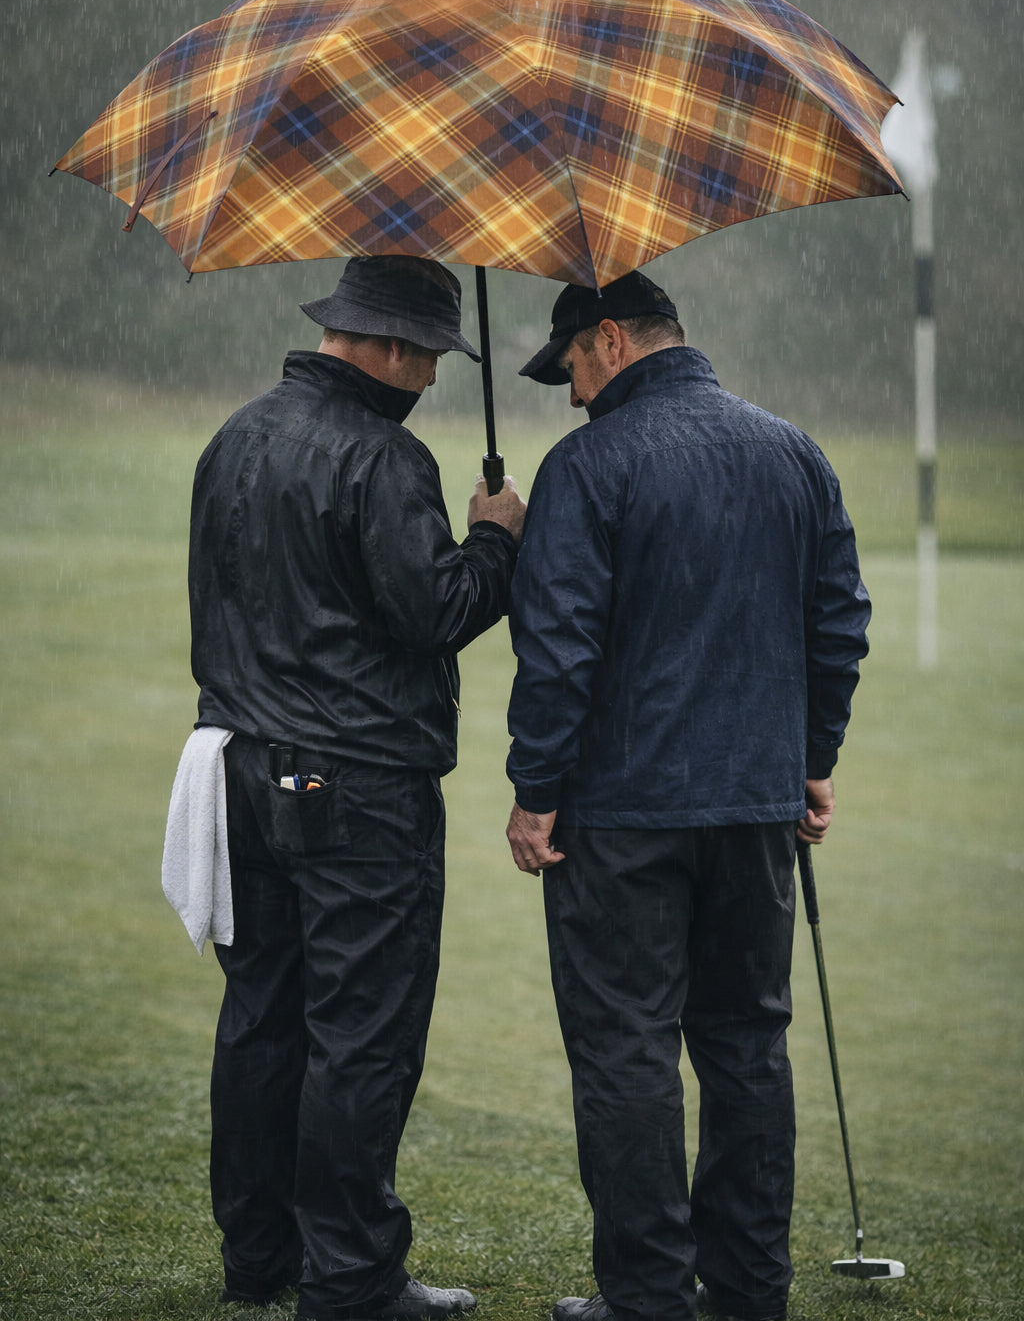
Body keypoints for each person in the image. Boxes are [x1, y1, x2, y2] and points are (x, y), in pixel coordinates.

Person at [503, 271, 870, 1321]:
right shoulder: (793, 451)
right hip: (756, 813)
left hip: (618, 818)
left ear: (609, 340)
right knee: (747, 1044)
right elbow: (837, 621)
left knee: (626, 1051)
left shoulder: (584, 466)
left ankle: (647, 1296)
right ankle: (749, 1290)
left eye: (570, 364)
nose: (570, 393)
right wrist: (810, 757)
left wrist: (536, 791)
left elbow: (558, 649)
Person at [186, 255, 527, 1318]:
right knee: (361, 1033)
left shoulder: (233, 436)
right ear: (383, 346)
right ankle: (352, 1276)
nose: (428, 376)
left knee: (262, 1015)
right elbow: (432, 614)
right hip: (358, 786)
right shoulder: (384, 459)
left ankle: (259, 1258)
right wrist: (493, 541)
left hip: (236, 766)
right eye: (425, 356)